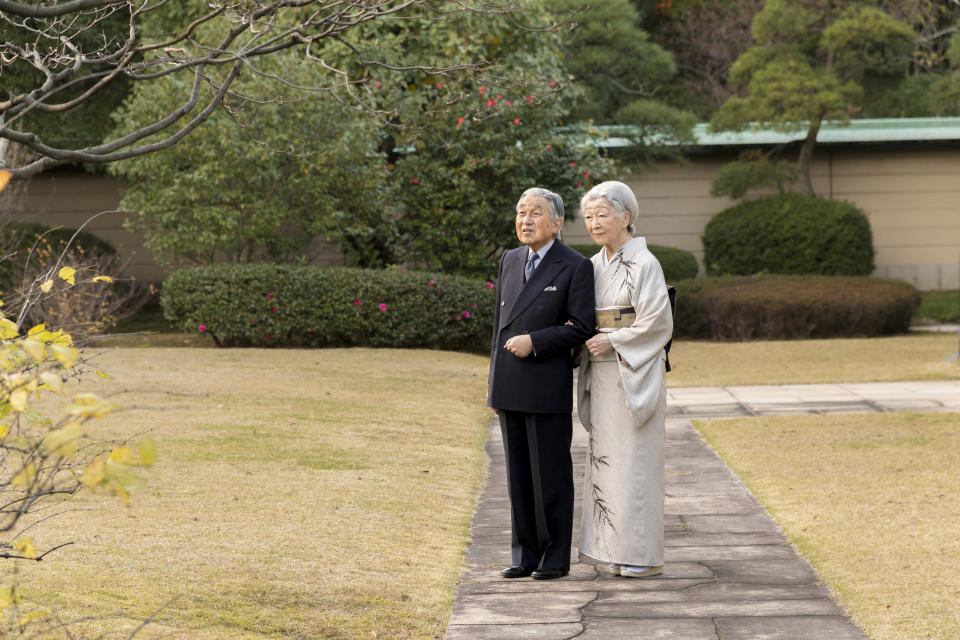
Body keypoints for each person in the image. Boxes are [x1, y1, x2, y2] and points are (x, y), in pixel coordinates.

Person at [488, 187, 595, 580]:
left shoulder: (575, 265)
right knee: (518, 476)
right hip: (510, 384)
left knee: (549, 474)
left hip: (546, 384)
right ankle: (524, 554)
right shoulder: (511, 259)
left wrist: (537, 341)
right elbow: (498, 328)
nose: (525, 220)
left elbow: (583, 327)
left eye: (535, 213)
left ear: (555, 222)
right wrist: (492, 387)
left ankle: (554, 556)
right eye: (520, 212)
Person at [576, 180, 674, 578]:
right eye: (588, 217)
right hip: (599, 373)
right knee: (606, 463)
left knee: (636, 462)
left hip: (633, 372)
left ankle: (644, 556)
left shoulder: (646, 263)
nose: (594, 224)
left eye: (602, 215)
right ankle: (611, 549)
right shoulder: (594, 265)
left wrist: (613, 340)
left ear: (626, 217)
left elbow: (657, 323)